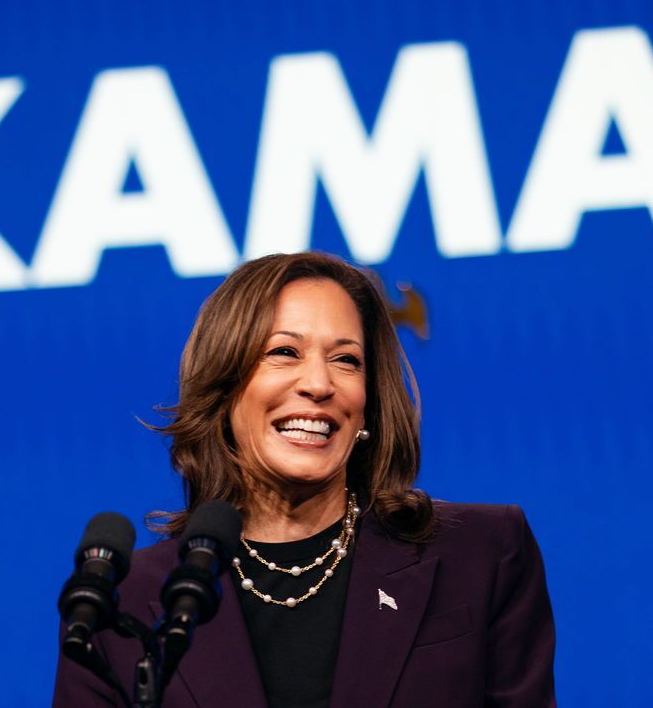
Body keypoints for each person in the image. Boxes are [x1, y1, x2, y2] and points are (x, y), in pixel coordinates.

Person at [53, 252, 556, 707]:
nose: (318, 384)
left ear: (368, 407)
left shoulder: (482, 552)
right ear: (224, 389)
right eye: (284, 352)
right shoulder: (126, 604)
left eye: (346, 360)